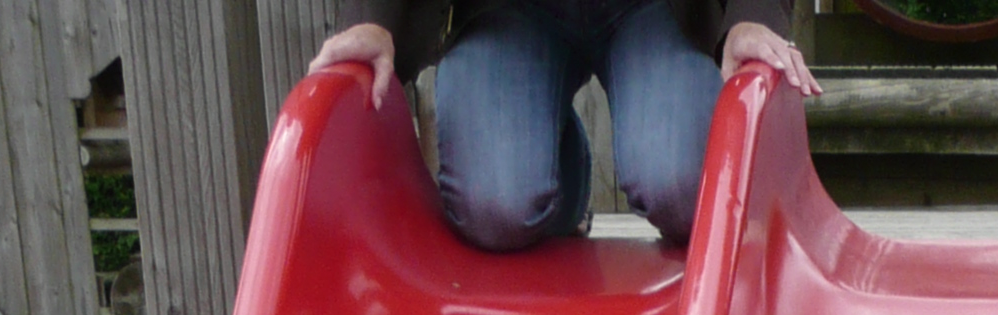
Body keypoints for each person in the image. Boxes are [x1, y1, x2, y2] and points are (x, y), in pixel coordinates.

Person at [312, 0, 816, 253]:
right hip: (513, 10)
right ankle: (558, 169)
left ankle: (545, 149)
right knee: (494, 209)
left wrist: (754, 14)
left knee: (690, 193)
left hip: (654, 9)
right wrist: (371, 18)